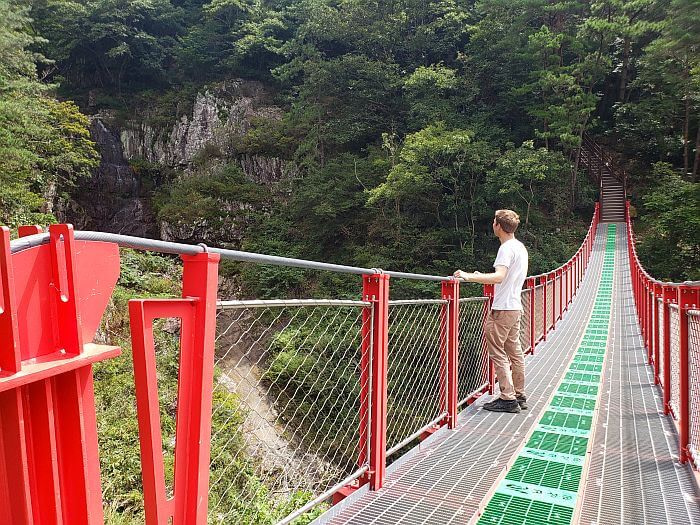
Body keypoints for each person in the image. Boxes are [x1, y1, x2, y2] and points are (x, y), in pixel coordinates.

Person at [454, 209, 529, 413]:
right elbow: (506, 277)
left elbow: (499, 277)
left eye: (494, 221)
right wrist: (481, 276)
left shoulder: (505, 249)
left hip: (502, 310)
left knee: (498, 353)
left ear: (498, 226)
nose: (493, 224)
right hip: (515, 307)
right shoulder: (520, 247)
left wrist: (468, 276)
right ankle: (519, 395)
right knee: (515, 352)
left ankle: (507, 398)